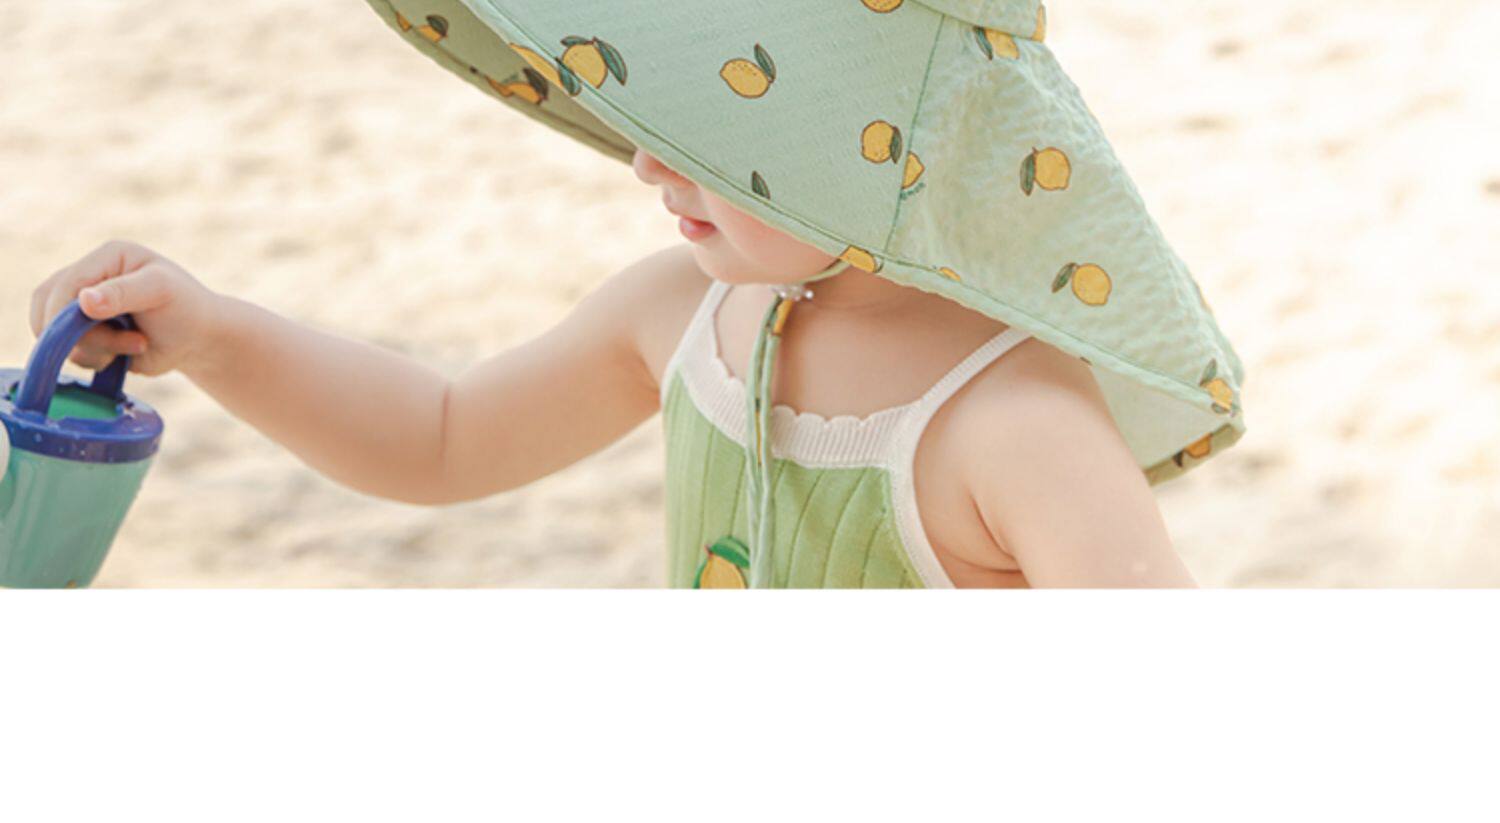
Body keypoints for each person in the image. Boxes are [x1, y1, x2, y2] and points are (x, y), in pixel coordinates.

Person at [26, 0, 1248, 588]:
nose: (651, 166)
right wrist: (216, 333)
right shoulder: (687, 315)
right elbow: (442, 435)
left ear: (875, 147)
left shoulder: (1014, 427)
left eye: (714, 137)